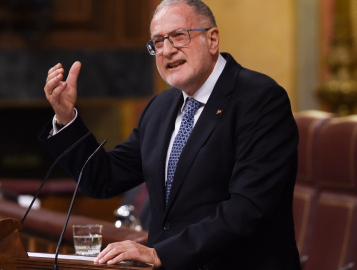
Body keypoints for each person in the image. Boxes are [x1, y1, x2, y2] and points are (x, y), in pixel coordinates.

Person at [39, 0, 301, 269]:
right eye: (158, 42)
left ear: (212, 39)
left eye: (178, 36)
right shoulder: (159, 108)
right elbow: (103, 178)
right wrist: (66, 117)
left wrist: (160, 254)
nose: (167, 50)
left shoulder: (260, 99)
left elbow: (249, 208)